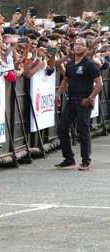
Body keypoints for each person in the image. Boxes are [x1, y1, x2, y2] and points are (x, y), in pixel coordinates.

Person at [55, 37, 103, 171]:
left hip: (84, 101)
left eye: (81, 45)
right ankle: (69, 159)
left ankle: (85, 161)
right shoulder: (70, 64)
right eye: (76, 44)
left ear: (86, 48)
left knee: (83, 130)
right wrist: (58, 93)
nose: (78, 47)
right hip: (71, 100)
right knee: (62, 128)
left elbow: (99, 83)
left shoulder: (90, 64)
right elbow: (66, 80)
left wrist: (90, 98)